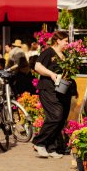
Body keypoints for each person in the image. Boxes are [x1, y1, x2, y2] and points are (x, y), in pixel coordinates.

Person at [32, 31, 77, 159]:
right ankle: (39, 142)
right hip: (48, 89)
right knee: (55, 115)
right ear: (58, 41)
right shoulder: (48, 52)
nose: (67, 44)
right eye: (66, 41)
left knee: (61, 118)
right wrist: (51, 74)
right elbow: (37, 66)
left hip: (62, 90)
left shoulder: (65, 55)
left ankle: (51, 147)